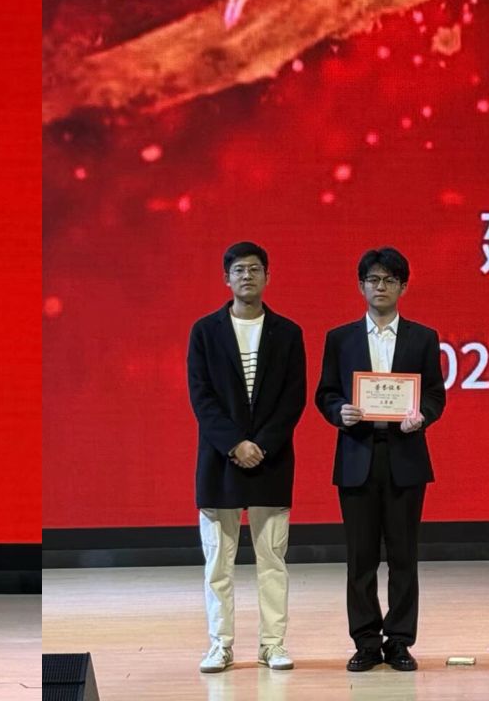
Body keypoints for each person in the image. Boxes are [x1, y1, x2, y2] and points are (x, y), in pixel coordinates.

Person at [315, 246, 447, 673]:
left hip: (405, 455)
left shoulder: (422, 337)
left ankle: (401, 641)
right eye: (373, 280)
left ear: (403, 287)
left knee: (404, 557)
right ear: (361, 286)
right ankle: (366, 642)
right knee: (361, 559)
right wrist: (339, 411)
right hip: (357, 455)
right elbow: (325, 393)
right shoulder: (340, 338)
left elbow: (435, 394)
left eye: (390, 280)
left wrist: (422, 415)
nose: (381, 286)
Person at [185, 241, 302, 675]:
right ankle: (220, 645)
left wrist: (262, 445)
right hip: (220, 462)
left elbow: (292, 399)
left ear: (268, 276)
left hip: (272, 461)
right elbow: (201, 396)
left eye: (254, 269)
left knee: (273, 560)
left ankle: (273, 644)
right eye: (238, 270)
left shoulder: (288, 333)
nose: (247, 276)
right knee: (219, 562)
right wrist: (235, 444)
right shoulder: (205, 331)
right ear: (226, 278)